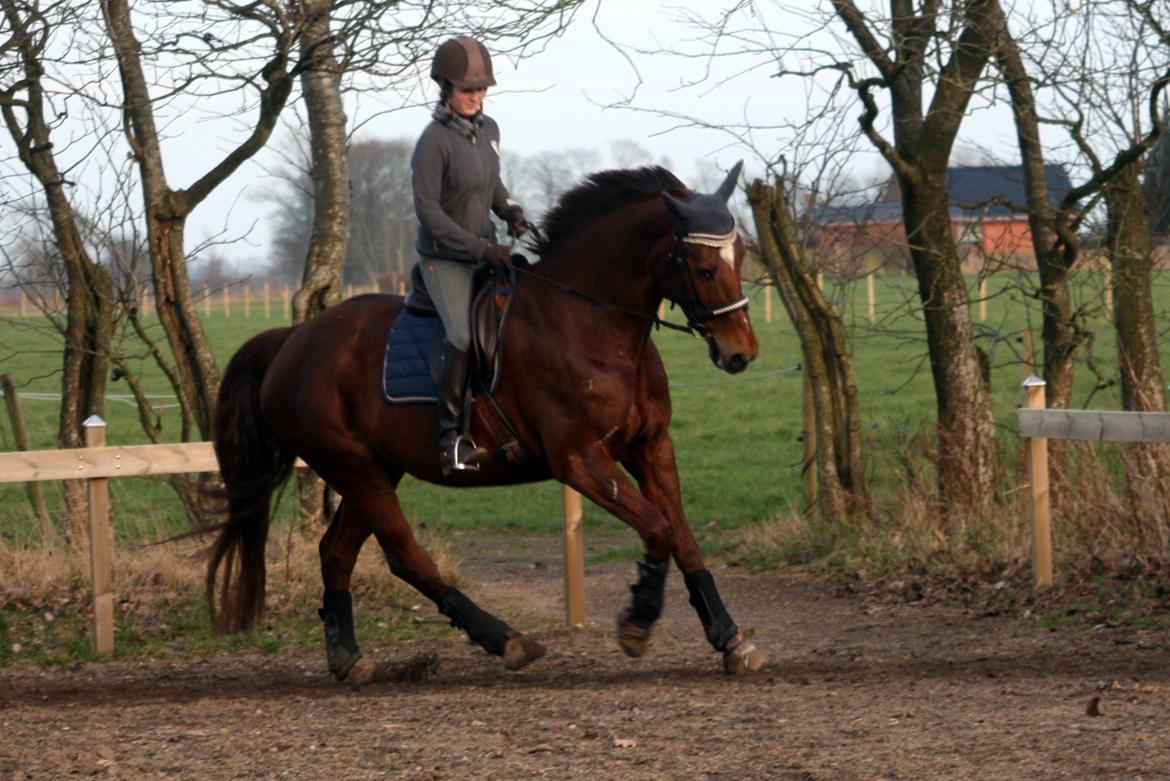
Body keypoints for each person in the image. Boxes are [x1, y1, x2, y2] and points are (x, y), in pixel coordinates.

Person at [412, 35, 530, 476]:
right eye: (467, 90)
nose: (475, 97)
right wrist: (481, 246)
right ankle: (450, 441)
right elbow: (429, 213)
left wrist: (513, 212)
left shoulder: (490, 131)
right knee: (461, 336)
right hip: (445, 261)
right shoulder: (432, 143)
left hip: (487, 253)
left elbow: (493, 185)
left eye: (480, 90)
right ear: (445, 88)